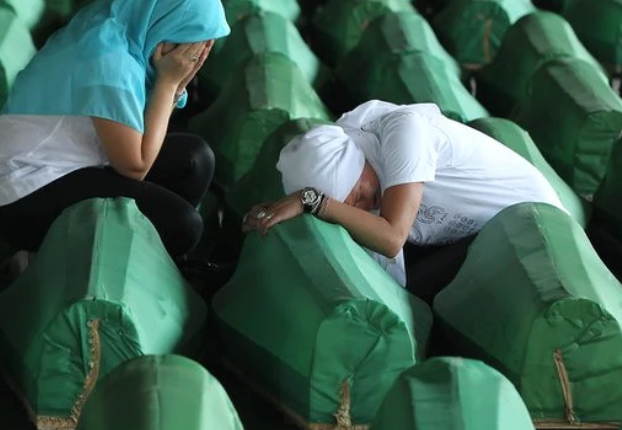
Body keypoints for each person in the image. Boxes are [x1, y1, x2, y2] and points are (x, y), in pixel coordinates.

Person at [0, 0, 230, 261]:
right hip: (26, 193)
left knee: (194, 158)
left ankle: (149, 268)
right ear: (165, 26)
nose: (195, 56)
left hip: (75, 162)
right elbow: (135, 165)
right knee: (182, 225)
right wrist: (168, 82)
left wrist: (176, 85)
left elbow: (142, 128)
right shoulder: (106, 57)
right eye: (191, 44)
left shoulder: (124, 35)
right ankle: (66, 265)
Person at [241, 100, 571, 302]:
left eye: (357, 195)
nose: (359, 207)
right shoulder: (361, 157)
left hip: (531, 232)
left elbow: (390, 237)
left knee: (412, 298)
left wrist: (313, 200)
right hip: (465, 235)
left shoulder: (404, 134)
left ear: (361, 162)